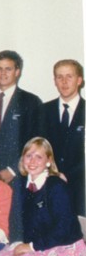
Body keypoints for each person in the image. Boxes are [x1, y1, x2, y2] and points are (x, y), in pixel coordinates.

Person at [0, 50, 43, 183]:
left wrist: (13, 170)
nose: (3, 73)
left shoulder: (30, 101)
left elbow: (35, 142)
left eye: (8, 69)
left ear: (17, 72)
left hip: (18, 176)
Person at [41, 59, 84, 217]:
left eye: (69, 76)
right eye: (59, 77)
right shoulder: (43, 110)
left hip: (81, 189)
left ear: (79, 80)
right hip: (48, 186)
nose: (64, 82)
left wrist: (68, 175)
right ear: (54, 81)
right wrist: (51, 173)